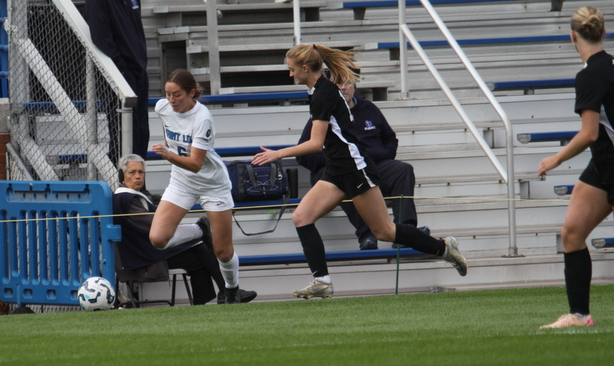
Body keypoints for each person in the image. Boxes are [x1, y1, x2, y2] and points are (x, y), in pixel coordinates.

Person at [252, 44, 467, 299]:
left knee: (384, 231)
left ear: (305, 68)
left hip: (354, 169)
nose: (290, 75)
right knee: (301, 218)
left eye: (292, 70)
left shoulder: (323, 94)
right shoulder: (317, 91)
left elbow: (315, 144)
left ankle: (444, 248)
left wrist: (278, 153)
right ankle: (322, 281)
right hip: (335, 169)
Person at [537, 7, 613, 329]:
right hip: (604, 164)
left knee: (571, 234)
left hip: (610, 162)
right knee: (572, 233)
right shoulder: (608, 66)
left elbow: (589, 133)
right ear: (603, 33)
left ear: (572, 36)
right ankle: (579, 315)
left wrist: (555, 159)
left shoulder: (589, 75)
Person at [150, 69, 253, 303]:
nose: (171, 100)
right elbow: (169, 131)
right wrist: (170, 146)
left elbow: (196, 164)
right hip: (181, 182)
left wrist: (167, 155)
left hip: (211, 184)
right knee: (158, 238)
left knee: (223, 251)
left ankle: (232, 289)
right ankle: (200, 231)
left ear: (191, 93)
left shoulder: (202, 117)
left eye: (177, 95)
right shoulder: (162, 108)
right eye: (167, 94)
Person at [296, 81, 424, 250]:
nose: (343, 87)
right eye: (338, 84)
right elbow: (304, 155)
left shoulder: (368, 108)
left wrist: (376, 155)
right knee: (348, 176)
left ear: (354, 86)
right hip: (337, 170)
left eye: (347, 83)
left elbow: (390, 139)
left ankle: (405, 230)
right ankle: (367, 236)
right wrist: (338, 158)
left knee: (403, 170)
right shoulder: (323, 113)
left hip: (371, 165)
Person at [113, 155, 257, 305]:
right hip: (141, 258)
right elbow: (153, 227)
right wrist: (198, 229)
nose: (137, 176)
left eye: (141, 172)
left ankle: (221, 295)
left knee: (198, 253)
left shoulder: (131, 197)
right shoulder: (126, 198)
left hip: (145, 252)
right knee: (200, 247)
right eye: (132, 172)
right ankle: (224, 292)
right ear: (122, 176)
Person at [85, 0, 150, 159]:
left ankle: (138, 183)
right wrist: (121, 69)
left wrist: (141, 63)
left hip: (139, 71)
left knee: (142, 133)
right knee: (125, 135)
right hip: (120, 75)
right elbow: (101, 37)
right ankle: (120, 181)